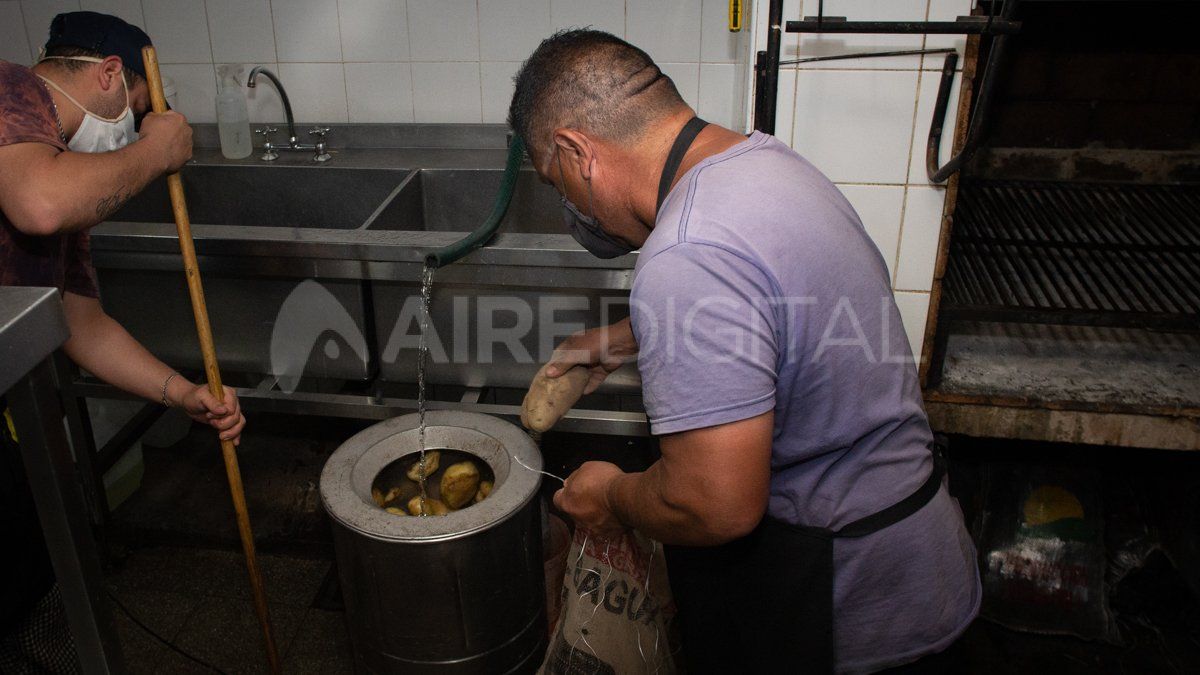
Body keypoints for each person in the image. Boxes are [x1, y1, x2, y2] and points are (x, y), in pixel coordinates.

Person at [511, 30, 981, 673]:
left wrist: (613, 496)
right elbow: (780, 308)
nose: (569, 207)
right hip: (920, 563)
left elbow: (713, 504)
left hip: (842, 609)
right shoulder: (762, 162)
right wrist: (630, 337)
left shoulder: (684, 254)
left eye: (555, 181)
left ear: (575, 151)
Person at [0, 12, 245, 670]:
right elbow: (40, 204)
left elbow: (80, 323)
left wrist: (184, 392)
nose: (132, 131)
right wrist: (155, 151)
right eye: (135, 111)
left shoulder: (65, 174)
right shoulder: (9, 88)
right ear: (108, 74)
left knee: (23, 574)